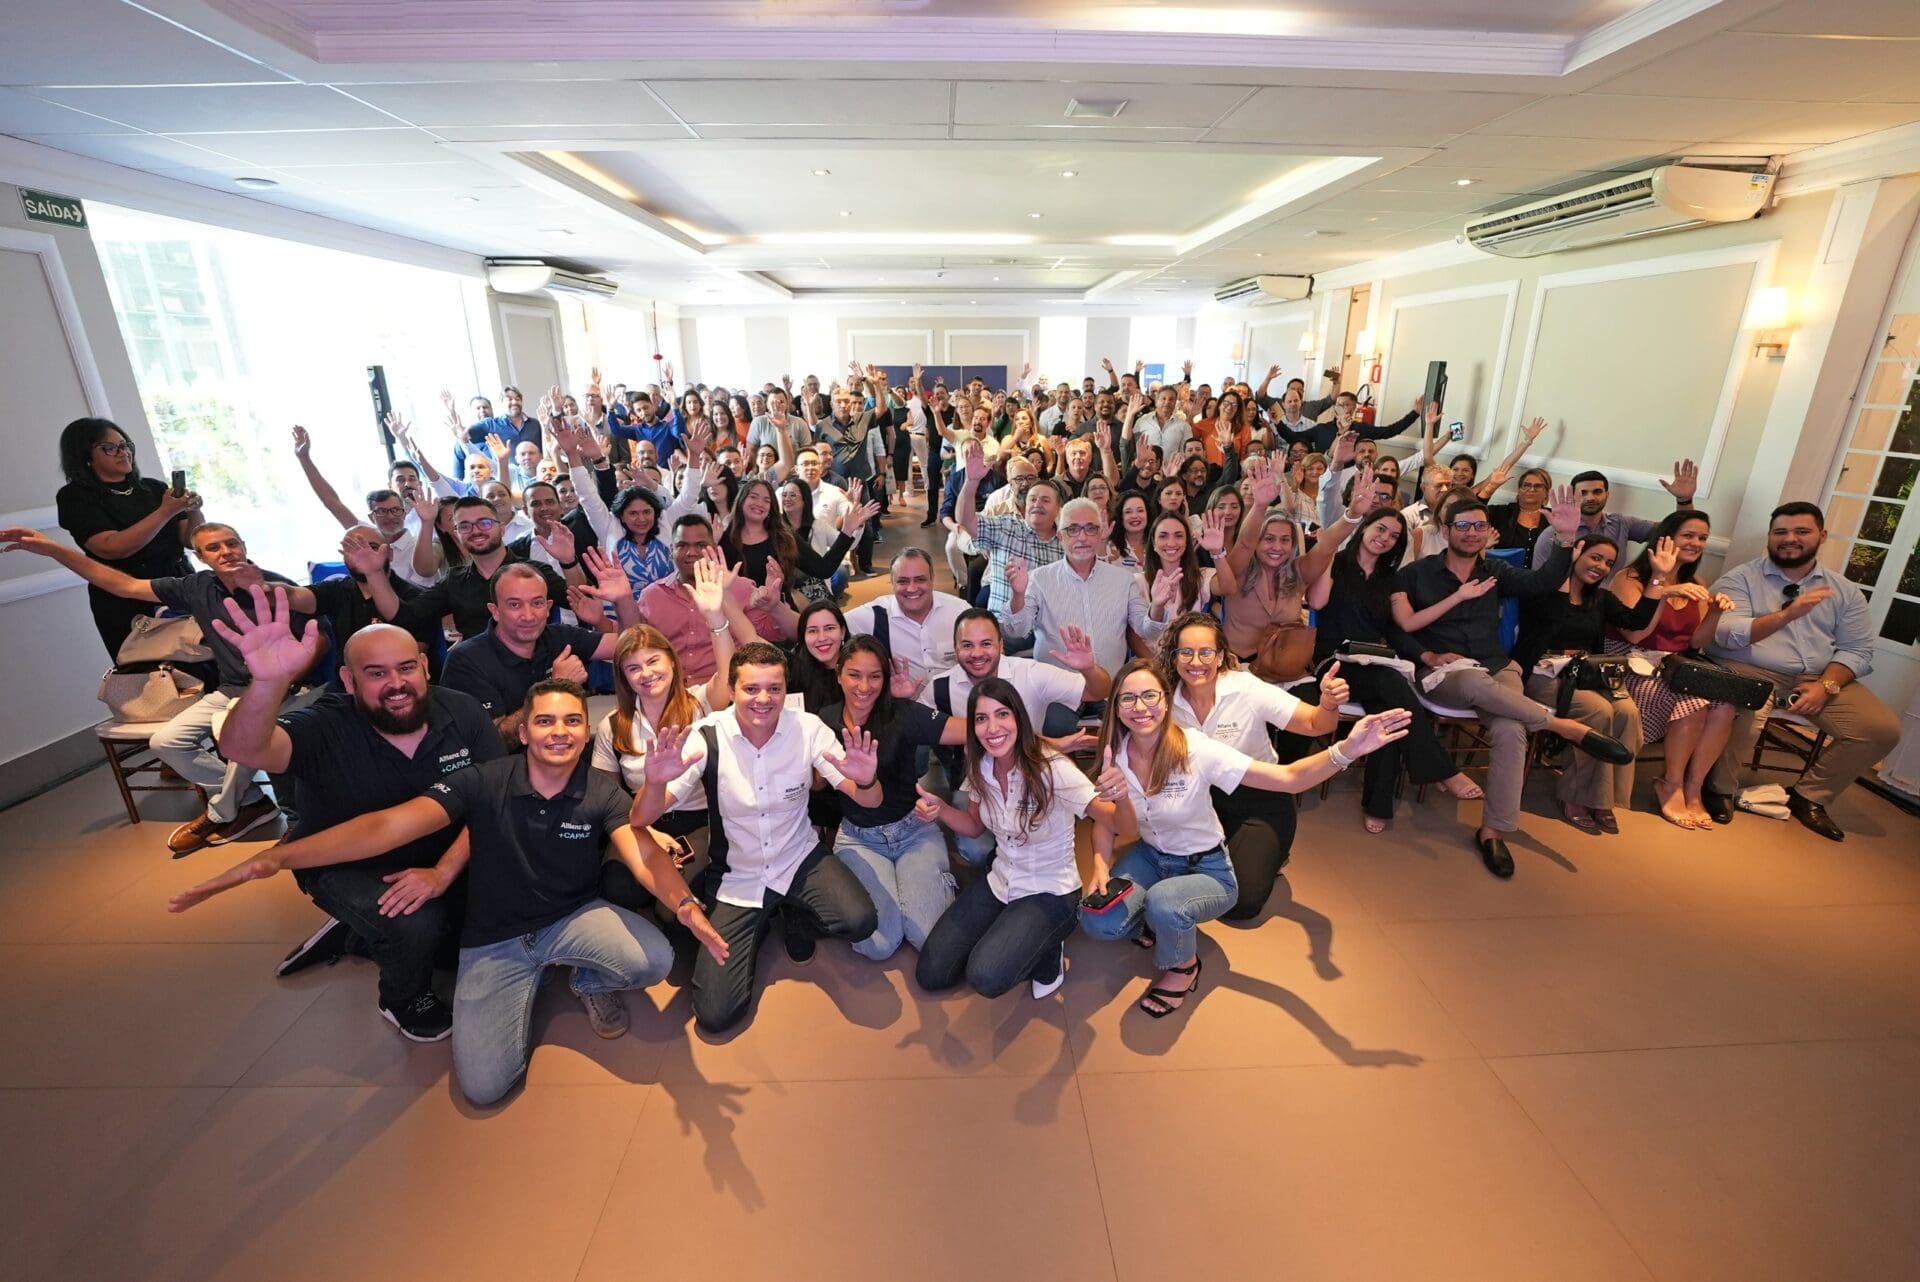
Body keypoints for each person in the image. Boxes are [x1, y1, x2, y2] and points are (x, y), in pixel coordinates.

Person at [170, 679, 728, 1106]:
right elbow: (384, 828)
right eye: (546, 721)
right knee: (485, 1087)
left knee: (652, 957)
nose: (560, 731)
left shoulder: (600, 789)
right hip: (496, 942)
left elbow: (644, 848)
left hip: (570, 916)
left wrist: (684, 905)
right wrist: (273, 857)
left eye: (573, 721)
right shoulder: (480, 781)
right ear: (526, 731)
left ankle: (584, 973)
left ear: (586, 732)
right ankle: (526, 982)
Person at [205, 590, 502, 1041]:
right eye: (376, 673)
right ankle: (402, 997)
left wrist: (442, 872)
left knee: (490, 923)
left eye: (405, 668)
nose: (396, 683)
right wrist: (268, 683)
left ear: (424, 667)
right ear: (348, 679)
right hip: (348, 865)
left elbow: (492, 803)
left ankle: (356, 935)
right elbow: (243, 749)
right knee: (414, 922)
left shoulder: (460, 711)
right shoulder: (325, 724)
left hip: (442, 857)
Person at [1080, 661, 1410, 1014]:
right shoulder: (1115, 752)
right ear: (1115, 706)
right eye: (1128, 698)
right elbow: (1111, 822)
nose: (1140, 707)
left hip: (1205, 869)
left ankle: (1183, 966)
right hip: (1151, 856)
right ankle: (1158, 917)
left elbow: (1289, 779)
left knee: (1165, 902)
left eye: (1149, 695)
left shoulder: (1196, 749)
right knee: (1097, 920)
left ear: (1165, 702)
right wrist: (1100, 863)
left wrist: (1348, 749)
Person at [631, 643, 883, 1035]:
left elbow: (868, 798)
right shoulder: (706, 736)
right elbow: (641, 818)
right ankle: (765, 917)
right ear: (732, 690)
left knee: (860, 920)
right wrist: (654, 783)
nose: (763, 699)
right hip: (738, 878)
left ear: (786, 690)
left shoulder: (808, 728)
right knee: (715, 1016)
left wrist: (866, 778)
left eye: (774, 688)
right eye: (751, 689)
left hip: (800, 860)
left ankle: (792, 909)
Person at [3, 522, 301, 853]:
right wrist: (54, 550)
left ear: (244, 545)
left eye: (232, 543)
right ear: (200, 556)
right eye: (214, 548)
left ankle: (221, 812)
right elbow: (124, 585)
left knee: (244, 737)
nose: (226, 551)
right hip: (231, 690)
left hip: (281, 691)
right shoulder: (197, 586)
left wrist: (283, 681)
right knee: (166, 741)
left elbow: (316, 641)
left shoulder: (277, 587)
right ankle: (251, 801)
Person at [1389, 492, 1635, 878]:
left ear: (1489, 532)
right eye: (1463, 526)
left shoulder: (1495, 573)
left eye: (1479, 526)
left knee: (1510, 729)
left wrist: (1566, 539)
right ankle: (1561, 726)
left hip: (1496, 668)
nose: (1471, 533)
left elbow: (1541, 583)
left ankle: (1493, 831)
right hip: (1445, 672)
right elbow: (1399, 630)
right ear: (1446, 530)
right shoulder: (1416, 574)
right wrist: (1427, 657)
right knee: (1472, 682)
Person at [912, 678, 1122, 1000]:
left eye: (1002, 715)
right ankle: (1014, 931)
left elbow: (1115, 820)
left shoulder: (1052, 768)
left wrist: (1121, 795)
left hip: (1049, 890)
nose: (992, 727)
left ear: (1018, 718)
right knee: (932, 972)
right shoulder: (981, 764)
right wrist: (940, 808)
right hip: (1001, 879)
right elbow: (973, 826)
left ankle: (1050, 946)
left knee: (985, 976)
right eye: (981, 718)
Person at [1705, 501, 1900, 840]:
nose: (1789, 538)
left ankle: (1809, 796)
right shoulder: (1741, 578)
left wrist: (1826, 685)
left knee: (1880, 728)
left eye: (1801, 531)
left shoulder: (1845, 591)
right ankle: (1719, 788)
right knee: (1746, 712)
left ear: (1821, 536)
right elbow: (1723, 631)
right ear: (1769, 537)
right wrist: (1786, 615)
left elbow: (1858, 649)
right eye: (1780, 532)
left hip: (1817, 677)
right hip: (1748, 666)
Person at [1304, 507, 1484, 833]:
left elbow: (1402, 627)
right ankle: (1442, 769)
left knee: (1390, 716)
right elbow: (1316, 603)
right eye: (1380, 528)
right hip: (1332, 662)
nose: (1385, 538)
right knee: (1392, 688)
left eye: (1393, 536)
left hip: (1373, 662)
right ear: (1365, 527)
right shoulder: (1337, 562)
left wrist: (1428, 651)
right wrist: (1330, 548)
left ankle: (1378, 805)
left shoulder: (1391, 579)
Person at [1151, 613, 1342, 917]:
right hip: (1201, 802)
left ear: (1221, 656)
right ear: (1173, 657)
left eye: (1206, 652)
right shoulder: (1164, 698)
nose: (1196, 661)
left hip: (1258, 797)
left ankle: (1269, 851)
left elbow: (1314, 723)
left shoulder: (1246, 688)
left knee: (1243, 904)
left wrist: (1329, 705)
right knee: (1161, 867)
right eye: (1185, 652)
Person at [1514, 535, 1698, 834]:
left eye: (1609, 563)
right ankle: (1575, 796)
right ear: (1577, 554)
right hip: (1542, 672)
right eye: (1595, 557)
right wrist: (1563, 569)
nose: (1601, 567)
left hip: (1589, 673)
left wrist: (1659, 578)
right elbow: (1554, 615)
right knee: (1598, 711)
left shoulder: (1599, 598)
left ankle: (1604, 799)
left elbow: (1636, 621)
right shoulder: (1542, 589)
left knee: (1627, 712)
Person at [823, 637, 968, 961]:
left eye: (875, 676)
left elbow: (972, 730)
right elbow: (816, 781)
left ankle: (929, 886)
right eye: (854, 675)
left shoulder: (902, 713)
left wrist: (1035, 738)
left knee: (927, 935)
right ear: (838, 674)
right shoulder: (823, 721)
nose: (864, 686)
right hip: (859, 838)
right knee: (879, 944)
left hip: (913, 828)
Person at [1606, 510, 1741, 830]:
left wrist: (1715, 613)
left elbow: (1695, 641)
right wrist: (1663, 592)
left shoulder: (1697, 583)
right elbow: (1634, 634)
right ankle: (1671, 783)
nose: (1696, 543)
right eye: (1688, 536)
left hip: (1675, 665)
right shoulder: (1630, 578)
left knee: (1724, 705)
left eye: (1703, 538)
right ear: (1666, 539)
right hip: (1631, 659)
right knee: (1694, 703)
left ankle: (1694, 787)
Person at [54, 416, 202, 658]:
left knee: (208, 659)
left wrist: (193, 509)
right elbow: (112, 547)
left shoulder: (153, 488)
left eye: (125, 445)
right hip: (127, 598)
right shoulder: (75, 497)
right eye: (110, 448)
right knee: (157, 679)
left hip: (180, 582)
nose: (122, 453)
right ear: (85, 456)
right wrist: (165, 511)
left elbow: (190, 539)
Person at [440, 558, 635, 737]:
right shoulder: (465, 660)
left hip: (565, 754)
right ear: (495, 611)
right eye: (515, 605)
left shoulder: (559, 636)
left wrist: (624, 600)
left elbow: (632, 646)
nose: (528, 615)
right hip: (504, 770)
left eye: (537, 603)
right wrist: (555, 687)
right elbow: (493, 741)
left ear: (548, 608)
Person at [1005, 497, 1168, 678]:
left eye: (1090, 529)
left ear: (1100, 534)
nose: (1082, 537)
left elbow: (1148, 631)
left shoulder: (1123, 580)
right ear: (1060, 536)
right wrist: (1018, 596)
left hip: (1108, 689)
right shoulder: (1039, 578)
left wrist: (1158, 606)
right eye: (1073, 529)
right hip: (1056, 689)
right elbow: (1017, 630)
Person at [386, 495, 573, 643]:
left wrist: (568, 562)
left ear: (501, 529)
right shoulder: (455, 580)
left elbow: (578, 601)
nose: (476, 531)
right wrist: (375, 572)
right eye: (465, 526)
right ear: (457, 534)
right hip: (477, 675)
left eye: (484, 523)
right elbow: (407, 617)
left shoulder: (533, 572)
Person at [637, 514, 770, 683]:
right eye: (682, 545)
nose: (691, 553)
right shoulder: (651, 596)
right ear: (671, 550)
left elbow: (763, 647)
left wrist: (774, 604)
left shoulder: (740, 588)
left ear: (714, 548)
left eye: (700, 545)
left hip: (728, 690)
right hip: (668, 690)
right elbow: (637, 649)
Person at [956, 440, 1063, 616]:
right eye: (1033, 499)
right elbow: (966, 521)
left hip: (1046, 624)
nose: (1037, 504)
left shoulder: (1063, 538)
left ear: (1058, 507)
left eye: (1045, 500)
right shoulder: (1004, 524)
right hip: (1004, 620)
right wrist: (971, 482)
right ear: (1010, 483)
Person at [845, 549, 968, 697]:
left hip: (958, 705)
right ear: (892, 582)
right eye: (902, 581)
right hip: (906, 709)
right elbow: (829, 624)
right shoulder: (875, 615)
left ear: (932, 579)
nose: (912, 588)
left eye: (920, 580)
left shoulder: (959, 611)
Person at [1529, 462, 1698, 568]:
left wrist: (1684, 500)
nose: (1590, 498)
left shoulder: (1622, 523)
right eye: (1584, 493)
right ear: (1574, 496)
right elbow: (1541, 581)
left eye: (1597, 492)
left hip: (1610, 606)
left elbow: (1672, 531)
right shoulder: (1553, 534)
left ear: (1607, 495)